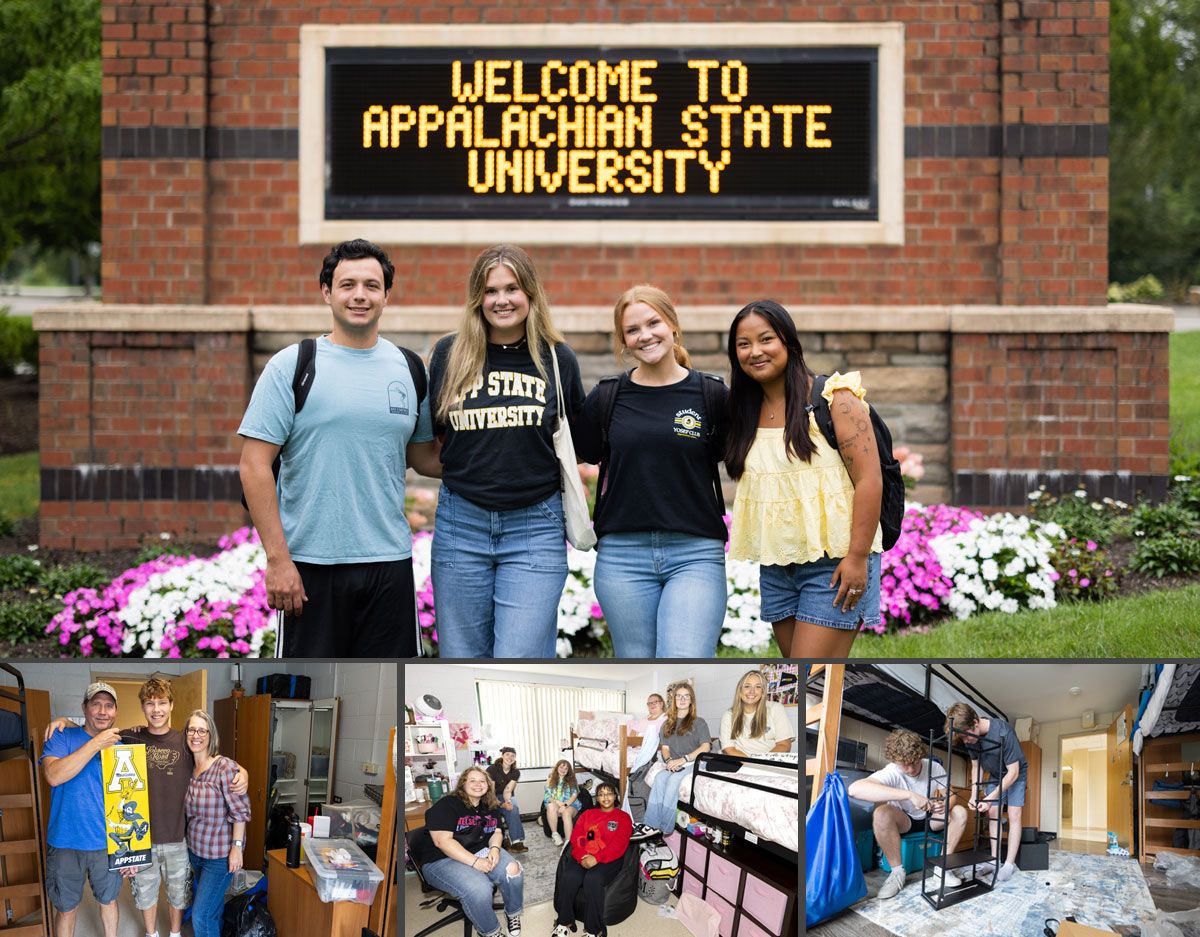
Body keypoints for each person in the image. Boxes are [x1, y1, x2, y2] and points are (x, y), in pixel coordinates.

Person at [238, 237, 441, 657]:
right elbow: (254, 466)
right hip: (310, 567)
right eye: (347, 285)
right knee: (307, 688)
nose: (360, 295)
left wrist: (502, 456)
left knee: (392, 682)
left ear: (387, 294)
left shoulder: (409, 368)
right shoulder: (293, 365)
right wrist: (278, 561)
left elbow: (422, 457)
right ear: (326, 292)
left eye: (371, 285)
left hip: (389, 564)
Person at [428, 243, 584, 658]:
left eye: (512, 289)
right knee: (460, 658)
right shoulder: (450, 354)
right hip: (461, 522)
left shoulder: (556, 358)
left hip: (535, 524)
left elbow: (579, 440)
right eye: (491, 290)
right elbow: (437, 439)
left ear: (530, 294)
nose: (502, 300)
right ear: (477, 298)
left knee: (522, 655)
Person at [573, 285, 729, 658]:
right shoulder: (607, 397)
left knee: (684, 662)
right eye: (633, 330)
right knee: (637, 665)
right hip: (622, 557)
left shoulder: (711, 394)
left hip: (695, 553)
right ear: (623, 340)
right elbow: (571, 454)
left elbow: (745, 459)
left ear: (673, 325)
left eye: (653, 322)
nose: (645, 335)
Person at [725, 299, 883, 657]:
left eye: (766, 339)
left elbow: (870, 481)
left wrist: (857, 558)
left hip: (836, 564)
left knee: (806, 672)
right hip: (778, 567)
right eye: (743, 344)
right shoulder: (742, 411)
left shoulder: (835, 399)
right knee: (800, 676)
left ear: (788, 342)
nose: (755, 352)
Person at [44, 677, 249, 937]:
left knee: (178, 894)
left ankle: (174, 934)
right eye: (150, 703)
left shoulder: (186, 741)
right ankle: (151, 934)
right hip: (142, 838)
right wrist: (65, 721)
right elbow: (92, 733)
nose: (156, 709)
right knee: (144, 895)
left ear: (171, 705)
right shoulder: (130, 737)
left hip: (178, 837)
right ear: (142, 707)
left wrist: (242, 772)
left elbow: (211, 758)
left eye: (162, 702)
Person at [39, 683, 127, 937]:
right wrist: (96, 743)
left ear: (115, 712)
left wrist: (131, 849)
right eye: (96, 704)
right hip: (66, 841)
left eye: (109, 705)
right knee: (66, 908)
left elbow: (129, 801)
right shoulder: (62, 736)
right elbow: (53, 776)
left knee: (108, 900)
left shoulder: (121, 749)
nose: (102, 711)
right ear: (84, 708)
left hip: (107, 843)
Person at [847, 729, 969, 899]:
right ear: (895, 761)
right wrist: (910, 795)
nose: (911, 769)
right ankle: (897, 873)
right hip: (905, 820)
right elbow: (854, 789)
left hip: (930, 817)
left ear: (921, 756)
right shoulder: (892, 771)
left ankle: (941, 868)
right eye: (904, 764)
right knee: (881, 812)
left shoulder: (934, 767)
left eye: (915, 762)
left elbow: (952, 794)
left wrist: (946, 804)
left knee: (960, 812)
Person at [411, 767, 524, 937]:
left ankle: (513, 914)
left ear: (488, 784)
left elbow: (497, 832)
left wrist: (494, 849)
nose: (478, 784)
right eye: (472, 780)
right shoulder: (448, 804)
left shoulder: (491, 805)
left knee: (513, 870)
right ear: (463, 784)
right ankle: (491, 932)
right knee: (479, 888)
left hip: (481, 850)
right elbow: (442, 841)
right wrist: (475, 862)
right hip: (441, 859)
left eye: (482, 781)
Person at [183, 710, 251, 937]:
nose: (196, 735)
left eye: (202, 730)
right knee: (212, 910)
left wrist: (237, 847)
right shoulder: (189, 768)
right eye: (191, 729)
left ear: (211, 735)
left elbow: (240, 811)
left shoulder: (225, 768)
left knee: (201, 916)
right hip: (196, 852)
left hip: (220, 856)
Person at [946, 702, 1028, 884]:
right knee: (992, 813)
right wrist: (975, 794)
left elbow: (1013, 772)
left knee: (1014, 815)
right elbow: (976, 765)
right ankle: (993, 859)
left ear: (975, 722)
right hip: (996, 773)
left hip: (1016, 772)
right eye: (963, 739)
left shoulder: (1003, 731)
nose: (966, 742)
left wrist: (990, 797)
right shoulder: (969, 736)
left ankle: (1008, 864)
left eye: (967, 737)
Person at [552, 782, 633, 937]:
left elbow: (619, 844)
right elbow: (576, 838)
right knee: (569, 876)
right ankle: (564, 921)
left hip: (609, 859)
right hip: (584, 855)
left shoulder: (623, 817)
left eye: (609, 793)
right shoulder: (588, 814)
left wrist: (596, 858)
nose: (605, 797)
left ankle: (594, 930)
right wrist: (583, 855)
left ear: (615, 796)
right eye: (601, 794)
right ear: (597, 798)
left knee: (592, 879)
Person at [637, 682, 711, 836]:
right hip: (675, 762)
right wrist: (669, 760)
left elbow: (706, 747)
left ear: (691, 700)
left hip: (694, 761)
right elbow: (665, 748)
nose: (682, 699)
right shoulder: (667, 724)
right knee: (660, 778)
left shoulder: (699, 722)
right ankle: (650, 825)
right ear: (674, 700)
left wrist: (684, 759)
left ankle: (665, 827)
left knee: (673, 781)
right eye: (679, 696)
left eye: (686, 696)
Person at [719, 670, 796, 756]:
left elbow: (784, 745)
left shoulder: (776, 709)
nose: (752, 691)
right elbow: (729, 749)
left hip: (768, 763)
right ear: (740, 692)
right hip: (739, 762)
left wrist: (762, 763)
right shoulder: (729, 715)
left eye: (758, 687)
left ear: (763, 693)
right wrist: (751, 764)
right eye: (747, 686)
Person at [487, 747, 526, 853]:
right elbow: (490, 792)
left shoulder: (516, 772)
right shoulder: (492, 769)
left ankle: (516, 841)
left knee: (513, 808)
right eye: (507, 754)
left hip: (505, 796)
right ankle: (501, 839)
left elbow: (508, 790)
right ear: (502, 756)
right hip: (492, 796)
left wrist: (507, 802)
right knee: (493, 811)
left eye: (513, 755)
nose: (510, 757)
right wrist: (500, 804)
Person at [543, 760, 584, 846]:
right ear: (557, 767)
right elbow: (547, 797)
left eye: (566, 768)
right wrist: (557, 802)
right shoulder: (550, 780)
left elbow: (574, 796)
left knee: (566, 812)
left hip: (571, 805)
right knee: (550, 806)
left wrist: (564, 805)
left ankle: (568, 842)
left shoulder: (572, 780)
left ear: (568, 771)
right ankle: (555, 834)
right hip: (557, 806)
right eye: (561, 767)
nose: (563, 770)